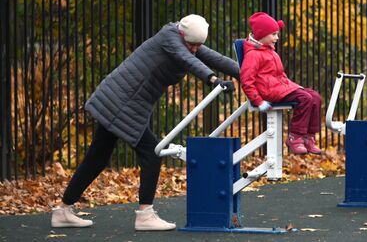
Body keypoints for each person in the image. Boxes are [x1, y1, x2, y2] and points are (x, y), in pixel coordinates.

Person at [51, 14, 240, 231]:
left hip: (122, 100)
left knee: (98, 157)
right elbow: (188, 60)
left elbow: (214, 58)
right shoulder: (170, 38)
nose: (195, 49)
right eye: (193, 45)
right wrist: (214, 80)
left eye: (198, 45)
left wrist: (246, 73)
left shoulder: (186, 42)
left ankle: (63, 210)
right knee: (152, 152)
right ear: (182, 34)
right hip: (123, 102)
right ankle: (145, 214)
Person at [239, 12, 322, 155]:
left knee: (315, 97)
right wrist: (258, 101)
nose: (277, 38)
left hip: (279, 89)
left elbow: (281, 76)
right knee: (305, 98)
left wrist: (295, 87)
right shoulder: (253, 54)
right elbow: (246, 81)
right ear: (261, 35)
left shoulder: (270, 52)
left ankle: (309, 137)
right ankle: (295, 137)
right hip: (269, 92)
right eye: (273, 34)